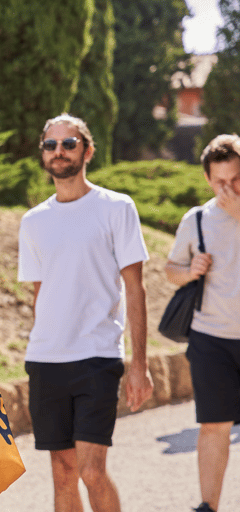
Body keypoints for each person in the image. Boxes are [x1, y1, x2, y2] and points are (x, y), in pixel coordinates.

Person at [17, 113, 154, 512]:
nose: (59, 152)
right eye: (51, 145)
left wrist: (139, 364)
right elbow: (40, 295)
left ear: (87, 150)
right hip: (46, 359)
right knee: (63, 475)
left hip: (97, 357)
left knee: (91, 472)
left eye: (69, 143)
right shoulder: (33, 221)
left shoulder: (117, 208)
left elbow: (136, 289)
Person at [164, 134, 240, 512]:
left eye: (235, 180)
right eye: (220, 182)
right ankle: (208, 506)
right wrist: (189, 270)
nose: (227, 189)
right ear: (208, 179)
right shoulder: (196, 219)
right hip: (211, 337)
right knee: (214, 425)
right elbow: (170, 270)